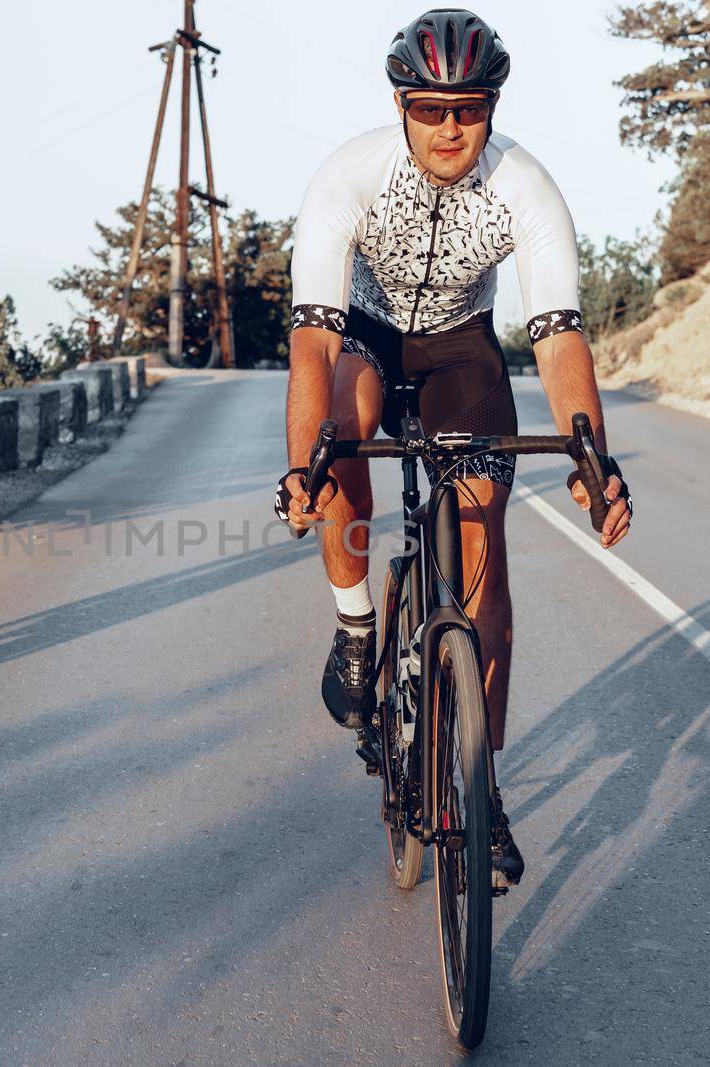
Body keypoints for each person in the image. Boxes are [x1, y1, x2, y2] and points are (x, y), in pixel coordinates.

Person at [275, 9, 633, 888]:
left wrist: (593, 460)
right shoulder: (347, 177)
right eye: (430, 108)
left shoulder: (526, 185)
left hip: (462, 346)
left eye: (467, 109)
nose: (448, 128)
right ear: (402, 105)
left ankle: (481, 785)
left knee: (483, 539)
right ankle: (359, 626)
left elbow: (556, 335)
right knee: (343, 441)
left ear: (491, 104)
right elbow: (313, 343)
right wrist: (302, 463)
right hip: (363, 337)